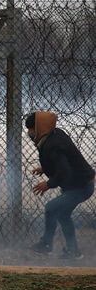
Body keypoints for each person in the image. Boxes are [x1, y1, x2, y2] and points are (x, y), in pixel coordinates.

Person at [26, 111, 95, 259]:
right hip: (79, 184)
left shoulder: (52, 144)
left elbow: (65, 171)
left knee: (51, 207)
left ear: (39, 127)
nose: (29, 133)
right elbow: (65, 160)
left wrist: (48, 184)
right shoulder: (54, 135)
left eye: (31, 129)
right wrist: (45, 168)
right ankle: (73, 252)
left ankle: (46, 245)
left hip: (81, 186)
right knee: (63, 215)